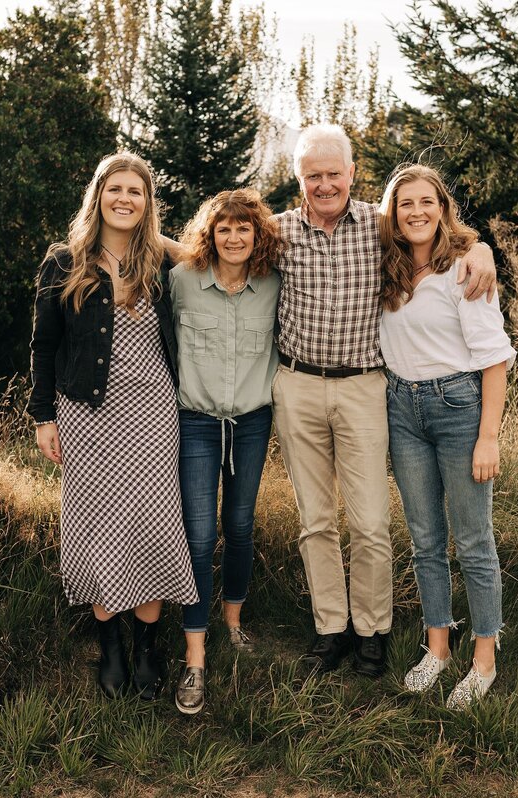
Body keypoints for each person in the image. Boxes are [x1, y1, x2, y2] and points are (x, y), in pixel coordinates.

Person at [270, 125, 499, 678]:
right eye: (313, 176)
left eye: (334, 173)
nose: (325, 184)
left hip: (367, 387)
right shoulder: (274, 232)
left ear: (352, 173)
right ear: (300, 180)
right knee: (316, 520)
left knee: (371, 522)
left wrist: (483, 248)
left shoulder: (381, 225)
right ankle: (332, 630)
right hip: (297, 383)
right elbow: (211, 243)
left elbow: (438, 233)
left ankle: (373, 632)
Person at [28, 152, 197, 702]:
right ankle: (111, 647)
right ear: (98, 195)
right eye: (115, 189)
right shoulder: (63, 262)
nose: (125, 199)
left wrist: (479, 246)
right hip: (87, 414)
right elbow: (44, 345)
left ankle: (149, 647)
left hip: (153, 414)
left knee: (150, 524)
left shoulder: (164, 265)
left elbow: (227, 254)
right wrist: (43, 415)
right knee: (99, 527)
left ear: (148, 203)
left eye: (137, 191)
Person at [377, 164, 515, 708]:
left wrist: (489, 437)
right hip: (402, 410)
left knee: (473, 539)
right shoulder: (386, 269)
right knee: (425, 538)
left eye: (426, 202)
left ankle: (485, 658)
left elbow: (496, 359)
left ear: (442, 208)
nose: (415, 212)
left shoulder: (465, 269)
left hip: (458, 408)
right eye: (404, 203)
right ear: (393, 212)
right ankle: (439, 646)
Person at [168, 189, 283, 715]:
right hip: (195, 422)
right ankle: (195, 655)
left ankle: (233, 623)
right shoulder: (183, 282)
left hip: (253, 422)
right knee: (198, 532)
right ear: (209, 235)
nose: (234, 238)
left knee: (239, 524)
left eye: (244, 229)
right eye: (224, 229)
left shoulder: (275, 285)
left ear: (257, 235)